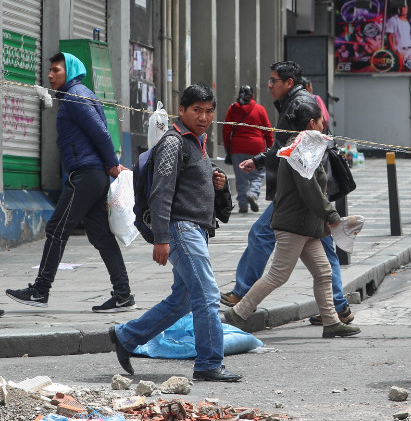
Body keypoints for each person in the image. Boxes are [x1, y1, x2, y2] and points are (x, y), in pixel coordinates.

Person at [109, 83, 241, 382]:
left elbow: (191, 186)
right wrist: (161, 238)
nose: (204, 116)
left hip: (195, 229)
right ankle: (209, 363)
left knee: (182, 301)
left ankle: (126, 336)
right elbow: (161, 192)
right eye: (197, 110)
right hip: (181, 229)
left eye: (209, 111)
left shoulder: (197, 142)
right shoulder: (174, 142)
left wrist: (218, 185)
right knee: (207, 296)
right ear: (181, 111)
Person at [221, 62, 357, 328]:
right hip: (298, 208)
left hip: (297, 206)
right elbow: (298, 172)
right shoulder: (300, 126)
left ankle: (332, 319)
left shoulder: (298, 110)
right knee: (291, 269)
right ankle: (335, 313)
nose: (269, 86)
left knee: (308, 266)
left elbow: (306, 184)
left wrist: (329, 216)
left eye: (274, 81)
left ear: (289, 83)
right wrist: (331, 216)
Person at [7, 53, 134, 313]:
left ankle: (40, 290)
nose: (50, 75)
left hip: (86, 175)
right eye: (50, 71)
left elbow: (100, 132)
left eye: (56, 70)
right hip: (91, 175)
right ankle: (123, 295)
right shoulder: (73, 96)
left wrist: (112, 163)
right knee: (101, 236)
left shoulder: (75, 96)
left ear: (70, 71)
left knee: (56, 229)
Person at [223, 86, 273, 214]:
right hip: (256, 147)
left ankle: (243, 205)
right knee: (257, 175)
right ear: (252, 95)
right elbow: (268, 130)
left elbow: (226, 130)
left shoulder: (232, 109)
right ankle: (253, 193)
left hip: (237, 147)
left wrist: (228, 147)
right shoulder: (260, 109)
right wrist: (270, 148)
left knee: (241, 177)